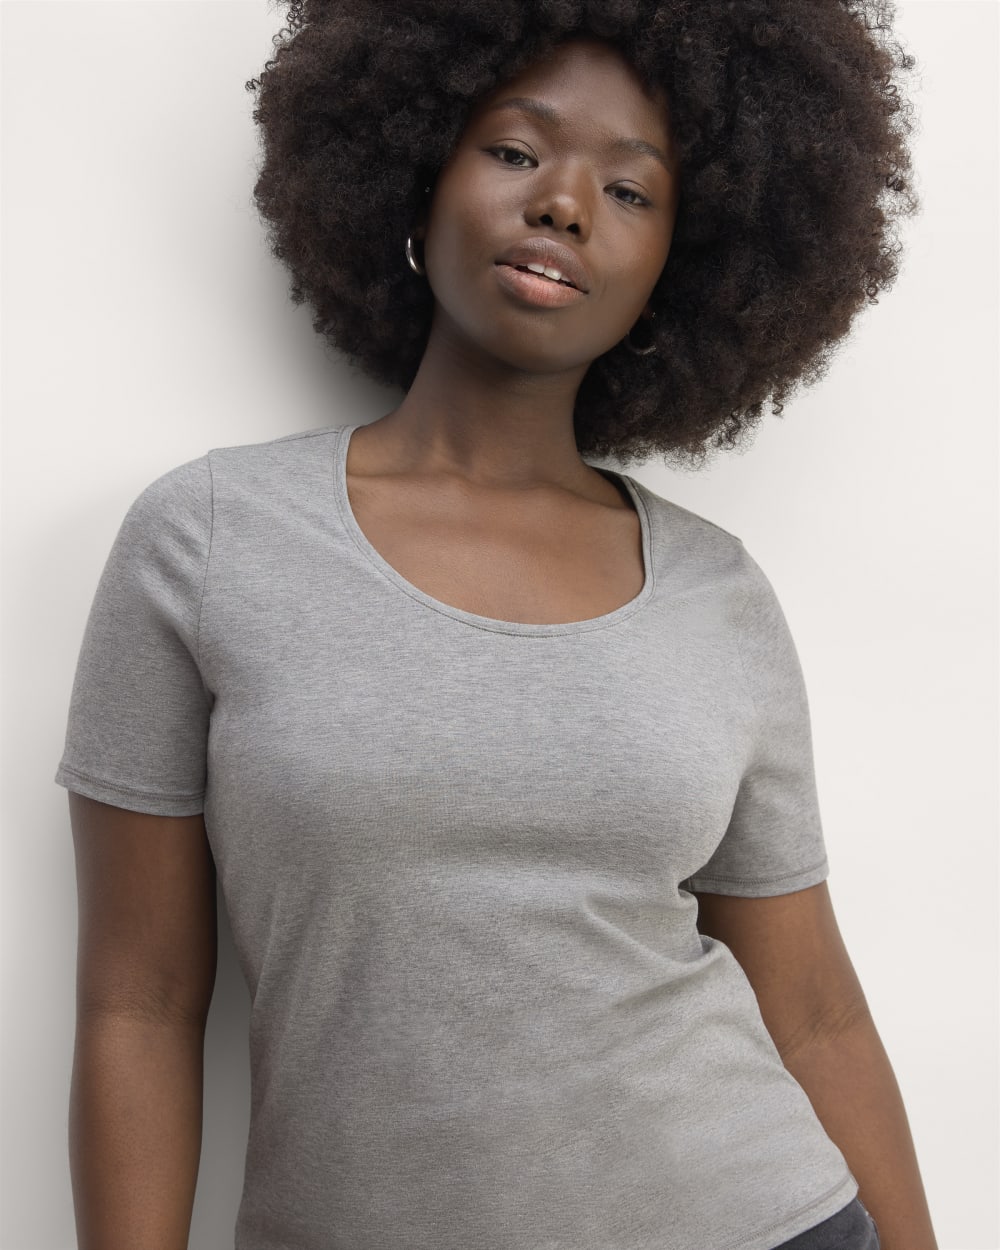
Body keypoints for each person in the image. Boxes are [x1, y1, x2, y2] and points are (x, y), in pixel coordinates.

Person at [56, 2, 939, 1248]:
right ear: (414, 179)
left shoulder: (718, 595)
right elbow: (139, 1002)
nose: (564, 204)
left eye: (630, 192)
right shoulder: (208, 539)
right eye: (515, 151)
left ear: (680, 268)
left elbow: (813, 1011)